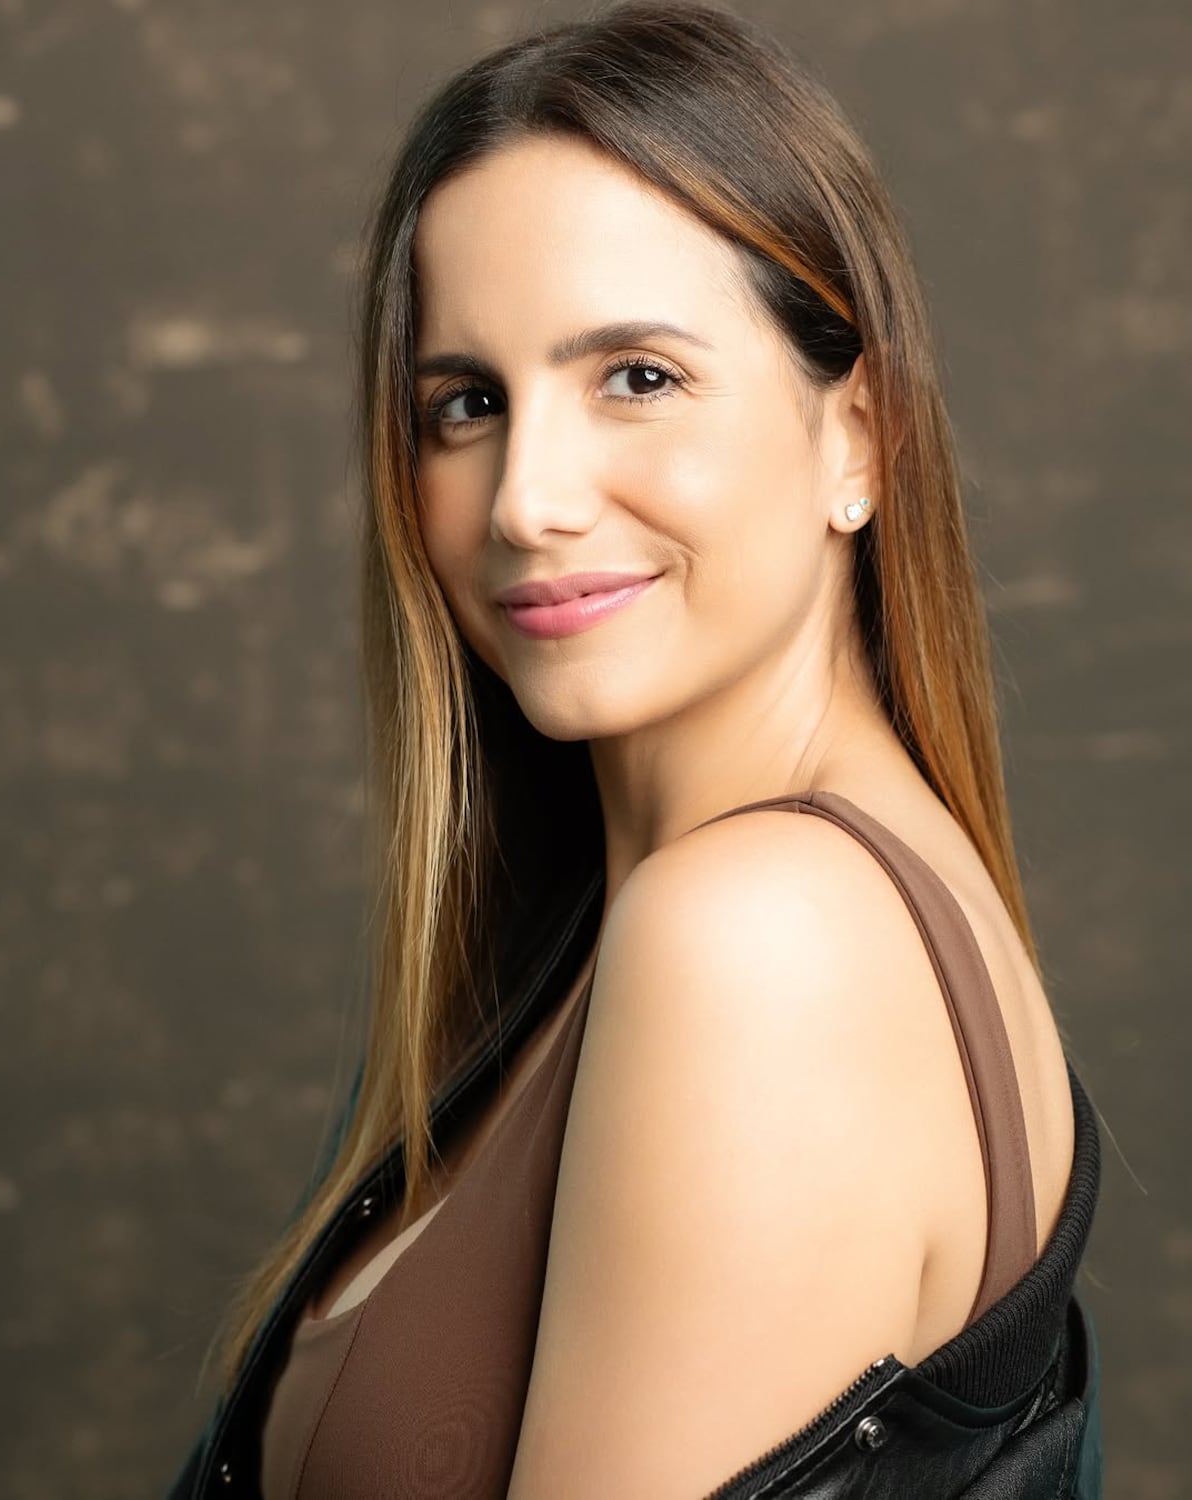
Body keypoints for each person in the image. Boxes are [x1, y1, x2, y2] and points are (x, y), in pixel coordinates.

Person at [165, 3, 1103, 1496]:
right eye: (467, 404)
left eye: (638, 377)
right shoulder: (635, 917)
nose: (525, 498)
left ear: (858, 436)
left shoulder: (759, 937)